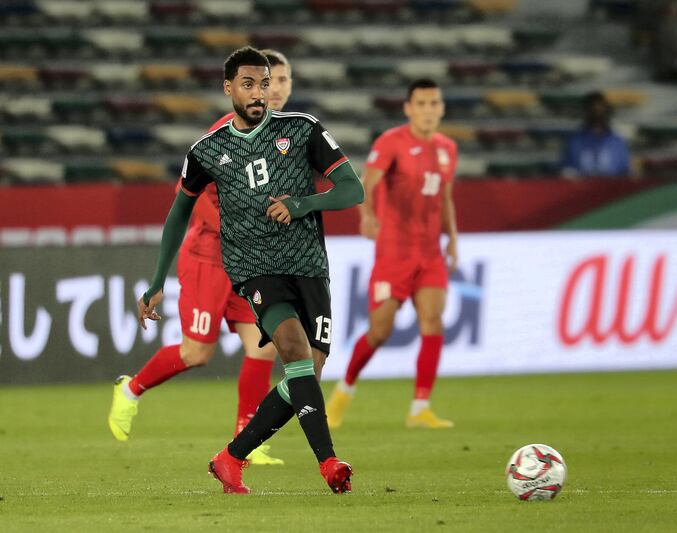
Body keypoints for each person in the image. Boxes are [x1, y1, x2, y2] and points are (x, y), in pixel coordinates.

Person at [137, 46, 362, 494]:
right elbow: (178, 213)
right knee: (295, 352)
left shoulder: (302, 130)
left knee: (306, 375)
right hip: (254, 270)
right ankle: (329, 463)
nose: (259, 93)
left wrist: (305, 204)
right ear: (228, 89)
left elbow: (352, 188)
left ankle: (230, 457)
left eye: (264, 84)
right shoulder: (208, 150)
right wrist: (157, 280)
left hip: (308, 265)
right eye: (248, 85)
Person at [107, 50, 293, 467]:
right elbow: (190, 203)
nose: (271, 90)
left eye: (278, 81)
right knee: (197, 353)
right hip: (209, 257)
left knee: (263, 346)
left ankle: (248, 437)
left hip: (250, 261)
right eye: (264, 82)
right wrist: (157, 281)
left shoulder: (287, 140)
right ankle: (130, 389)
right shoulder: (220, 138)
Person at [326, 79, 459, 430]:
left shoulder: (447, 148)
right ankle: (343, 392)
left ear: (441, 108)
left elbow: (444, 197)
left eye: (434, 103)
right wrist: (367, 216)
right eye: (422, 103)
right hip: (394, 252)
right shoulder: (392, 142)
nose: (429, 110)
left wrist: (453, 239)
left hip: (429, 252)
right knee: (380, 331)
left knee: (432, 322)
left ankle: (419, 408)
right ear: (409, 108)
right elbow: (366, 183)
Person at [560, 91, 630, 178]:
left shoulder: (616, 142)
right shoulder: (575, 141)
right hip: (581, 189)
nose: (597, 114)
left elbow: (624, 171)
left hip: (612, 189)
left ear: (607, 111)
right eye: (593, 110)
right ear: (586, 112)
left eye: (600, 110)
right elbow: (566, 169)